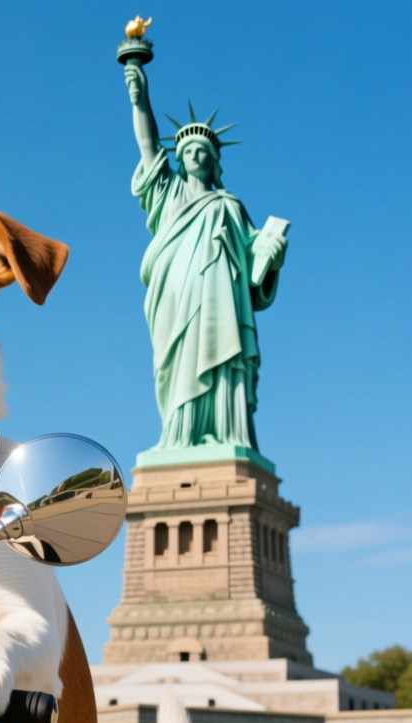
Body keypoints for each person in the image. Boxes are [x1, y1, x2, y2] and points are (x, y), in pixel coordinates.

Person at [124, 60, 288, 451]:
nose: (196, 155)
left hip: (221, 297)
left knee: (224, 357)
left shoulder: (230, 206)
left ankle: (229, 434)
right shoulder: (168, 194)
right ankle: (178, 437)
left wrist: (272, 255)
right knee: (178, 363)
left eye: (203, 151)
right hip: (175, 295)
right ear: (179, 158)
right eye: (188, 150)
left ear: (215, 162)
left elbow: (255, 264)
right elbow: (148, 144)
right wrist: (140, 97)